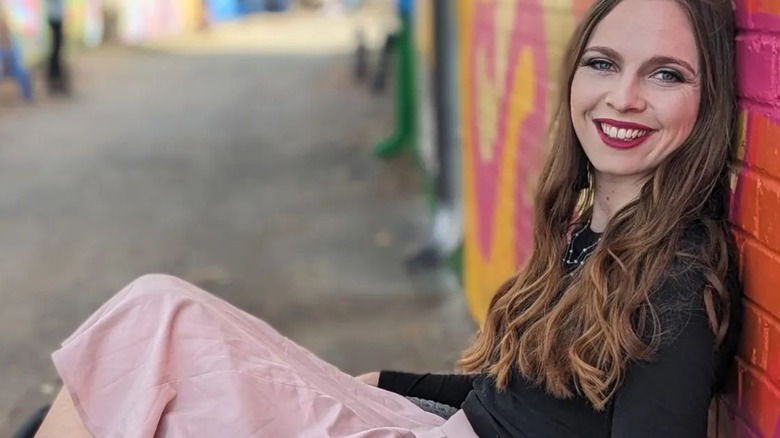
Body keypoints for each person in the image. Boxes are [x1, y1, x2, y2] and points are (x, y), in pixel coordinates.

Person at [33, 0, 742, 436]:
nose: (623, 96)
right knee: (146, 349)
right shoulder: (592, 232)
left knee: (155, 326)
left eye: (665, 74)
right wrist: (393, 384)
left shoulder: (676, 279)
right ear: (575, 79)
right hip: (423, 424)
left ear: (706, 104)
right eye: (604, 63)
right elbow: (523, 400)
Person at [45, 0, 68, 95]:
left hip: (56, 19)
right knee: (55, 52)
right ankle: (54, 76)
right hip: (55, 19)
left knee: (56, 51)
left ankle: (55, 76)